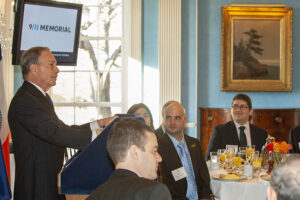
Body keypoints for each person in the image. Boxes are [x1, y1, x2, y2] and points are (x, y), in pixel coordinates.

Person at [8, 46, 116, 200]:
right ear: (34, 69)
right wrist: (99, 137)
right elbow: (56, 133)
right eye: (51, 64)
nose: (57, 70)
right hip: (36, 188)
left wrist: (99, 123)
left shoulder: (40, 98)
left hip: (48, 184)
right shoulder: (25, 100)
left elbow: (62, 129)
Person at [87, 118, 172, 200]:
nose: (159, 158)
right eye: (154, 151)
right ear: (135, 152)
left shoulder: (94, 196)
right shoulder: (154, 192)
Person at [158, 101, 213, 200]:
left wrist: (205, 197)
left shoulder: (194, 143)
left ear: (185, 120)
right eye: (168, 117)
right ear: (163, 120)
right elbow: (164, 186)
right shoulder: (158, 147)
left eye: (177, 118)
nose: (172, 122)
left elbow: (204, 177)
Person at [206, 93, 268, 160]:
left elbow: (265, 159)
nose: (238, 110)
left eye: (242, 107)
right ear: (231, 110)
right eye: (235, 106)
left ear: (250, 111)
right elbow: (210, 158)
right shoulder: (220, 131)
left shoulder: (261, 133)